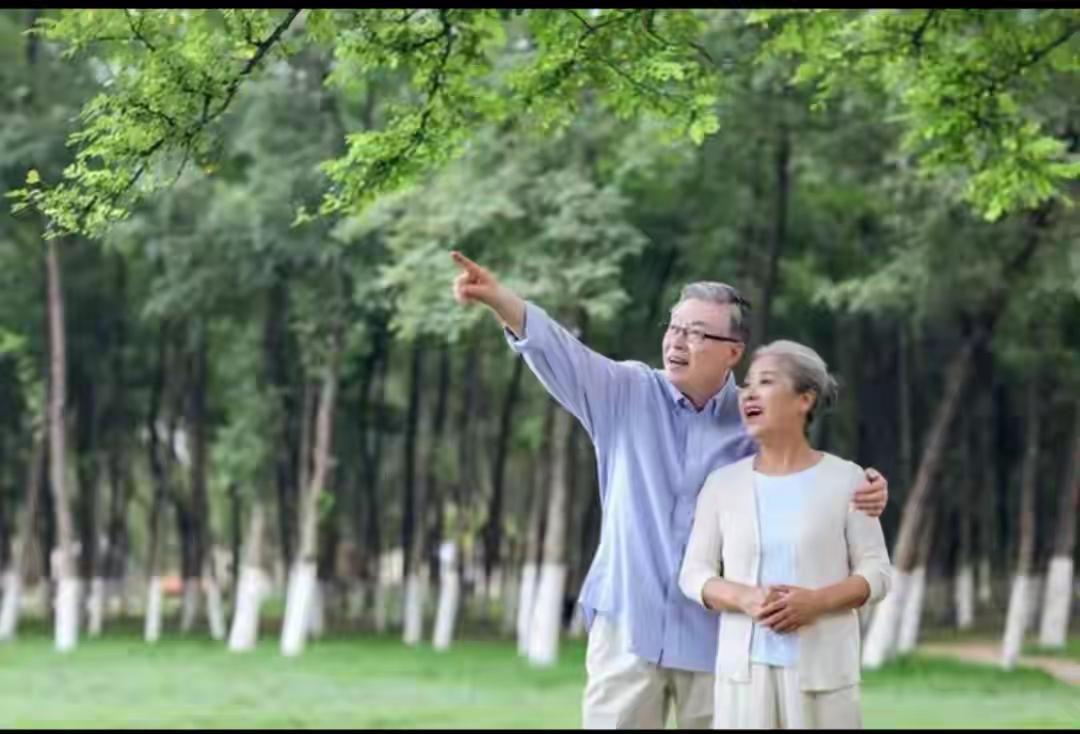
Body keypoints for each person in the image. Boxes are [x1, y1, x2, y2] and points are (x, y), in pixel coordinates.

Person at [450, 251, 889, 729]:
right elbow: (560, 352)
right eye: (674, 327)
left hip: (718, 640)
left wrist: (865, 485)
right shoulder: (624, 393)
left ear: (733, 352)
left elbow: (809, 474)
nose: (678, 342)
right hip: (627, 628)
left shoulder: (754, 421)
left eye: (697, 333)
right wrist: (499, 300)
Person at [679, 340, 893, 729]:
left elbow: (877, 571)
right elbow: (693, 573)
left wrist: (816, 601)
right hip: (742, 675)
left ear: (804, 400)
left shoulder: (848, 480)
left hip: (825, 676)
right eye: (747, 384)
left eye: (766, 381)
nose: (749, 393)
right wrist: (744, 597)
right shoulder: (722, 484)